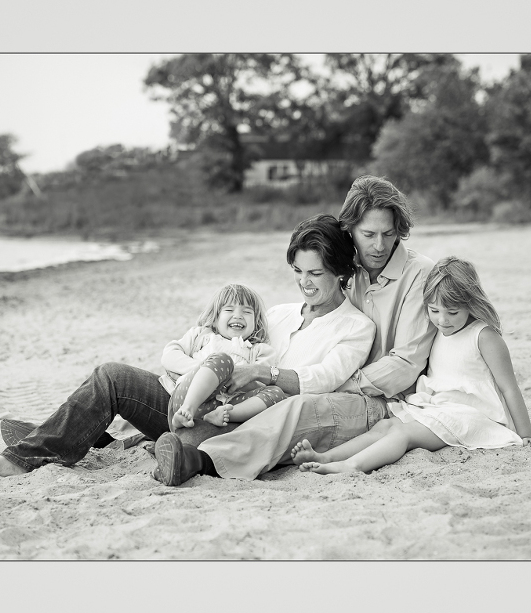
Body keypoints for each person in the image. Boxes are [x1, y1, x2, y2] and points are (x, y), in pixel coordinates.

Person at [0, 214, 375, 480]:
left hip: (240, 421)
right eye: (298, 271)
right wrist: (195, 366)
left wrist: (260, 374)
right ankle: (43, 447)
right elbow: (221, 337)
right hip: (198, 400)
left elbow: (325, 379)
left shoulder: (355, 327)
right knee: (112, 375)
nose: (304, 283)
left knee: (153, 412)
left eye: (315, 274)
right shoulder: (280, 313)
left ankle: (62, 440)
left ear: (340, 273)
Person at [152, 175, 438, 485]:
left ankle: (195, 459)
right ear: (350, 232)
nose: (379, 245)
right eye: (368, 234)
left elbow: (405, 363)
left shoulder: (413, 277)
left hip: (371, 397)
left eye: (389, 233)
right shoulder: (340, 274)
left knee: (294, 406)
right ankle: (160, 437)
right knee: (116, 379)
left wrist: (339, 383)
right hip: (267, 397)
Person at [291, 256, 531, 475]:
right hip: (437, 407)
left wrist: (526, 434)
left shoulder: (484, 336)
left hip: (471, 416)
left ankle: (353, 465)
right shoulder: (438, 330)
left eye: (452, 313)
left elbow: (509, 387)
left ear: (470, 303)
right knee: (386, 426)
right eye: (434, 310)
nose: (442, 320)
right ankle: (327, 457)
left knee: (404, 435)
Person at [162, 283, 284, 431]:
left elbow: (259, 382)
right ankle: (187, 410)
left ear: (256, 322)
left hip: (228, 403)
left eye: (246, 312)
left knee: (277, 393)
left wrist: (229, 379)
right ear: (215, 318)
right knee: (222, 360)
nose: (238, 315)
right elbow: (169, 355)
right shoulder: (202, 335)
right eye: (229, 309)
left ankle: (226, 415)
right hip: (188, 397)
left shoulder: (260, 350)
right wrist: (206, 370)